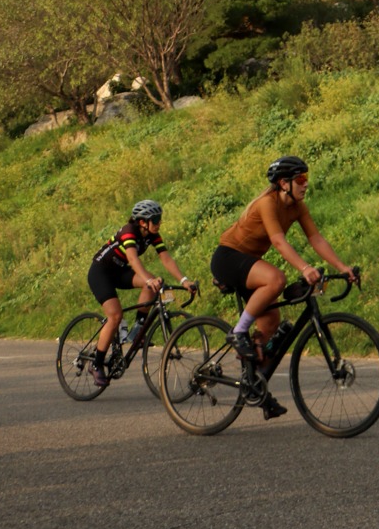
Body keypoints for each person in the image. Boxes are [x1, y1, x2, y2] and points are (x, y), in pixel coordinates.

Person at [211, 154, 357, 420]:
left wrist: (342, 267)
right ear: (283, 183)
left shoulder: (298, 206)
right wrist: (304, 268)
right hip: (228, 258)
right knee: (276, 279)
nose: (305, 184)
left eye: (306, 178)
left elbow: (316, 238)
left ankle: (256, 387)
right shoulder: (267, 203)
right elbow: (278, 241)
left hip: (249, 263)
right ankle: (238, 332)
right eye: (300, 179)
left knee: (270, 323)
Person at [87, 199, 196, 389]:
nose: (159, 223)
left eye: (159, 219)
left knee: (152, 285)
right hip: (101, 272)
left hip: (120, 271)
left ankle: (138, 330)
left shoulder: (152, 235)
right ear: (142, 222)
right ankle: (96, 363)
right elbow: (132, 258)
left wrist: (184, 280)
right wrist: (147, 279)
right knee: (115, 315)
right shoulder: (129, 231)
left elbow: (166, 259)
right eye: (155, 219)